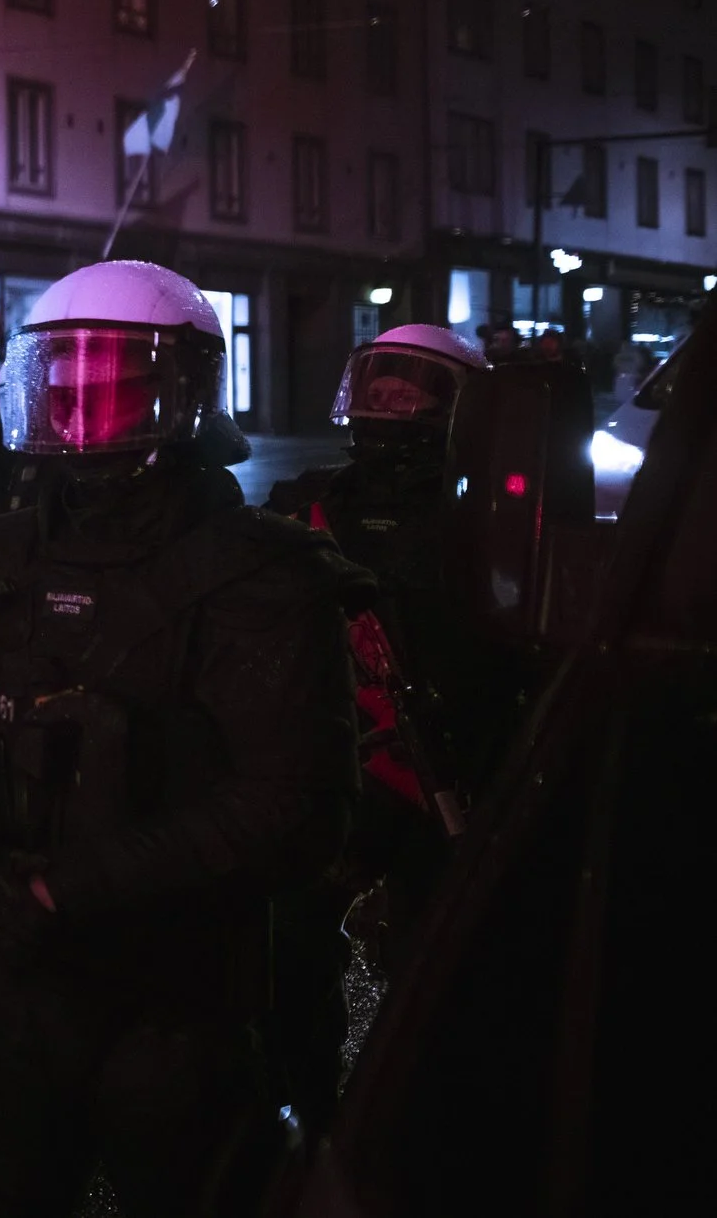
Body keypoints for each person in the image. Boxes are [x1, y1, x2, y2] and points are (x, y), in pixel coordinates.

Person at [0, 260, 365, 1217]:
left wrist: (72, 888)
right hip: (13, 986)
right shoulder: (0, 552)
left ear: (185, 393)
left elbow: (295, 804)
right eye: (64, 382)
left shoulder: (258, 576)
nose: (78, 408)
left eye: (113, 384)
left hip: (181, 1001)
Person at [264, 322, 499, 1132]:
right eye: (380, 384)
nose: (391, 401)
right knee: (288, 946)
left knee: (440, 965)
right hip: (332, 762)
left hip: (449, 769)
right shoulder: (304, 504)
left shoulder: (493, 514)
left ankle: (427, 1119)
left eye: (414, 389)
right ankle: (312, 1110)